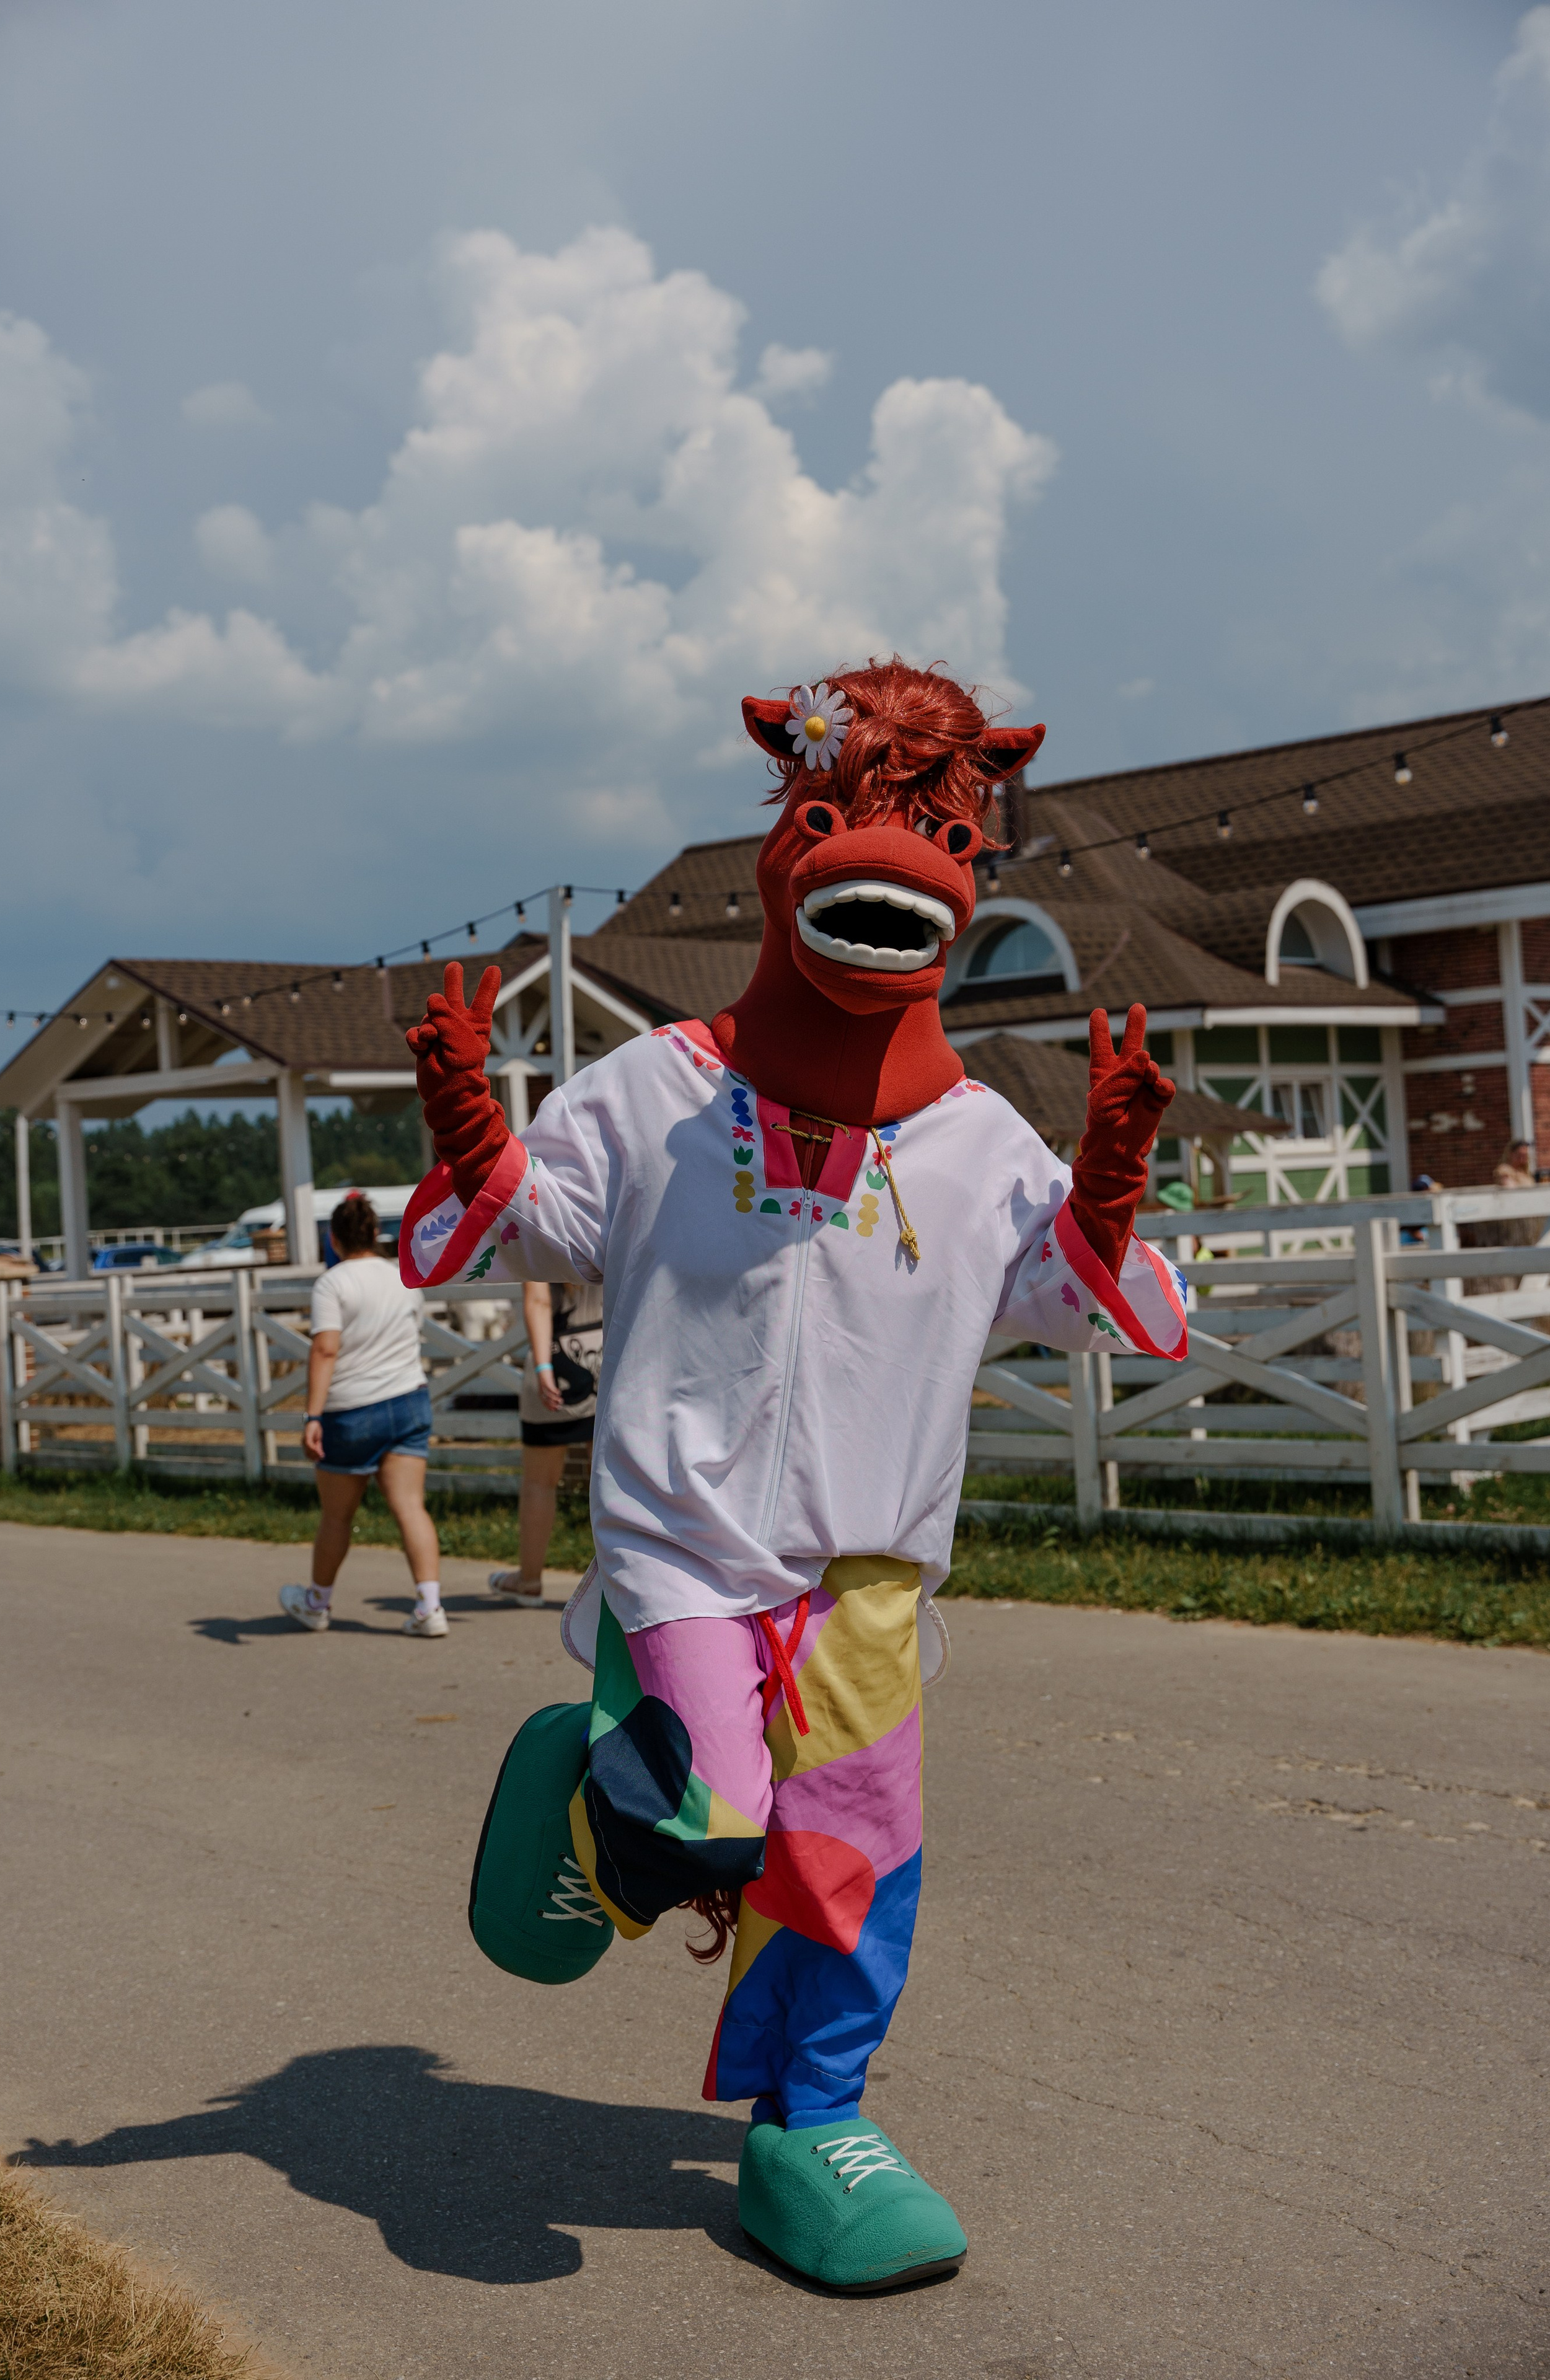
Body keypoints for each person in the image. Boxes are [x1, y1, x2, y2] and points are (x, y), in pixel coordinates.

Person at [402, 663, 1187, 2293]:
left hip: (866, 1583)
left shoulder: (977, 1138)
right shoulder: (659, 1090)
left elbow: (1078, 1298)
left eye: (939, 839)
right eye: (837, 818)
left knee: (850, 1866)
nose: (886, 868)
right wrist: (473, 1127)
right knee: (709, 1815)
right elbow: (530, 1223)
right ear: (786, 845)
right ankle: (613, 1798)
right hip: (685, 1548)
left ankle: (807, 2125)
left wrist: (1108, 1175)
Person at [278, 1191, 446, 1639]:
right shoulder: (404, 1276)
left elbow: (325, 1349)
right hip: (408, 1400)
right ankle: (430, 1606)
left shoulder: (332, 1285)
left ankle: (317, 1603)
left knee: (337, 1517)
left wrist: (312, 1416)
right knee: (410, 1507)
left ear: (334, 1240)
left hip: (351, 1409)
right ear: (374, 1233)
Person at [487, 1277, 602, 1604]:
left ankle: (529, 1580)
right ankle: (617, 1581)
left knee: (540, 1482)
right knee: (608, 1480)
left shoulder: (539, 1242)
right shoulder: (610, 1238)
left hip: (554, 1357)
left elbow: (539, 1300)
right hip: (606, 1357)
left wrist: (542, 1366)